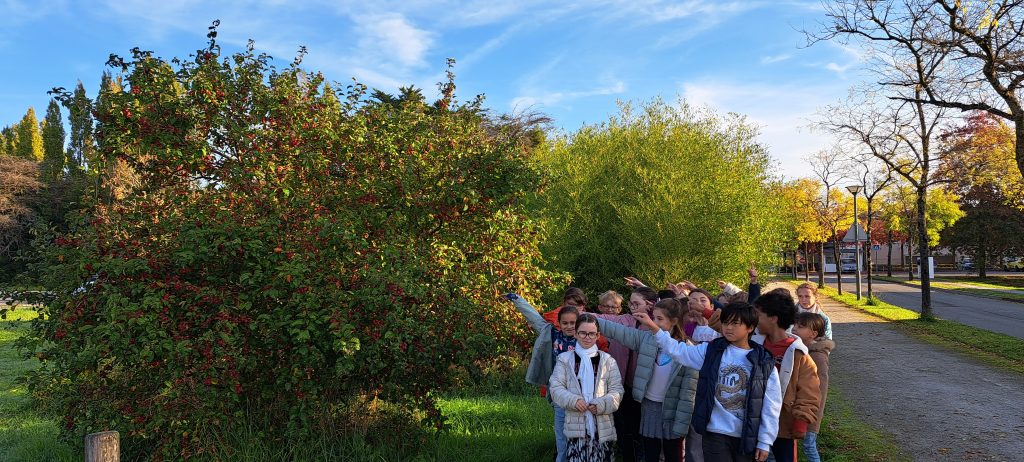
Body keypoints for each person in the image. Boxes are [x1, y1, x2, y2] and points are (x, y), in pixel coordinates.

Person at [634, 302, 783, 462]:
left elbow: (771, 405)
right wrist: (654, 328)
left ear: (750, 327)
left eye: (735, 323)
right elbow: (678, 351)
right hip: (715, 432)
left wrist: (765, 441)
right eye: (725, 322)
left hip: (746, 435)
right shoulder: (711, 351)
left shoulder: (763, 363)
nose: (728, 328)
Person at [595, 299, 699, 462]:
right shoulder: (647, 339)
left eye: (659, 319)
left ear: (674, 321)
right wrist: (587, 318)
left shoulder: (688, 351)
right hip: (649, 406)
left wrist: (682, 422)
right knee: (651, 452)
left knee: (673, 453)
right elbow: (617, 331)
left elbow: (688, 393)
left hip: (672, 410)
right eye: (653, 317)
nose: (653, 322)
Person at [506, 293, 580, 462]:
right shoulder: (553, 335)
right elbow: (534, 318)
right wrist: (516, 299)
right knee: (561, 434)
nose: (569, 326)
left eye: (573, 323)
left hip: (580, 396)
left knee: (579, 436)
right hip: (559, 394)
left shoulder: (585, 338)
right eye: (565, 323)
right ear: (559, 323)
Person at [750, 291, 822, 462]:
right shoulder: (752, 345)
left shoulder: (799, 354)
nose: (754, 319)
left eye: (758, 315)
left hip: (783, 424)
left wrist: (800, 421)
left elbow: (809, 392)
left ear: (773, 318)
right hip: (753, 420)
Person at [549, 313, 624, 462]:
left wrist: (602, 404)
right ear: (576, 334)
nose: (587, 337)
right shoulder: (564, 359)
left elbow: (617, 390)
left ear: (598, 336)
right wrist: (574, 400)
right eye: (583, 333)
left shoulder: (608, 361)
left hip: (601, 426)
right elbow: (556, 387)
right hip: (576, 425)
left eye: (591, 333)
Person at [792, 312, 835, 462]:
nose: (794, 328)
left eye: (800, 327)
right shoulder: (799, 349)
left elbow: (821, 388)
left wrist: (814, 413)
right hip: (798, 405)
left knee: (809, 445)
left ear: (813, 333)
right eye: (795, 324)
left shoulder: (817, 356)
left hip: (811, 410)